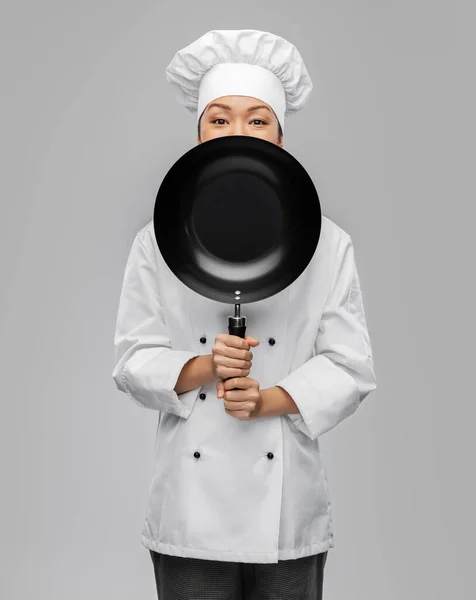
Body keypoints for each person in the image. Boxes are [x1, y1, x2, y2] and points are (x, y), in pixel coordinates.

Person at [112, 29, 377, 600]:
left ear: (282, 135)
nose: (238, 133)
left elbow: (350, 367)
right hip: (190, 512)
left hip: (287, 519)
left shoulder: (327, 244)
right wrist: (204, 368)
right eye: (220, 119)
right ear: (199, 133)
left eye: (257, 120)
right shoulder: (156, 242)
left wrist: (269, 400)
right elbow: (133, 361)